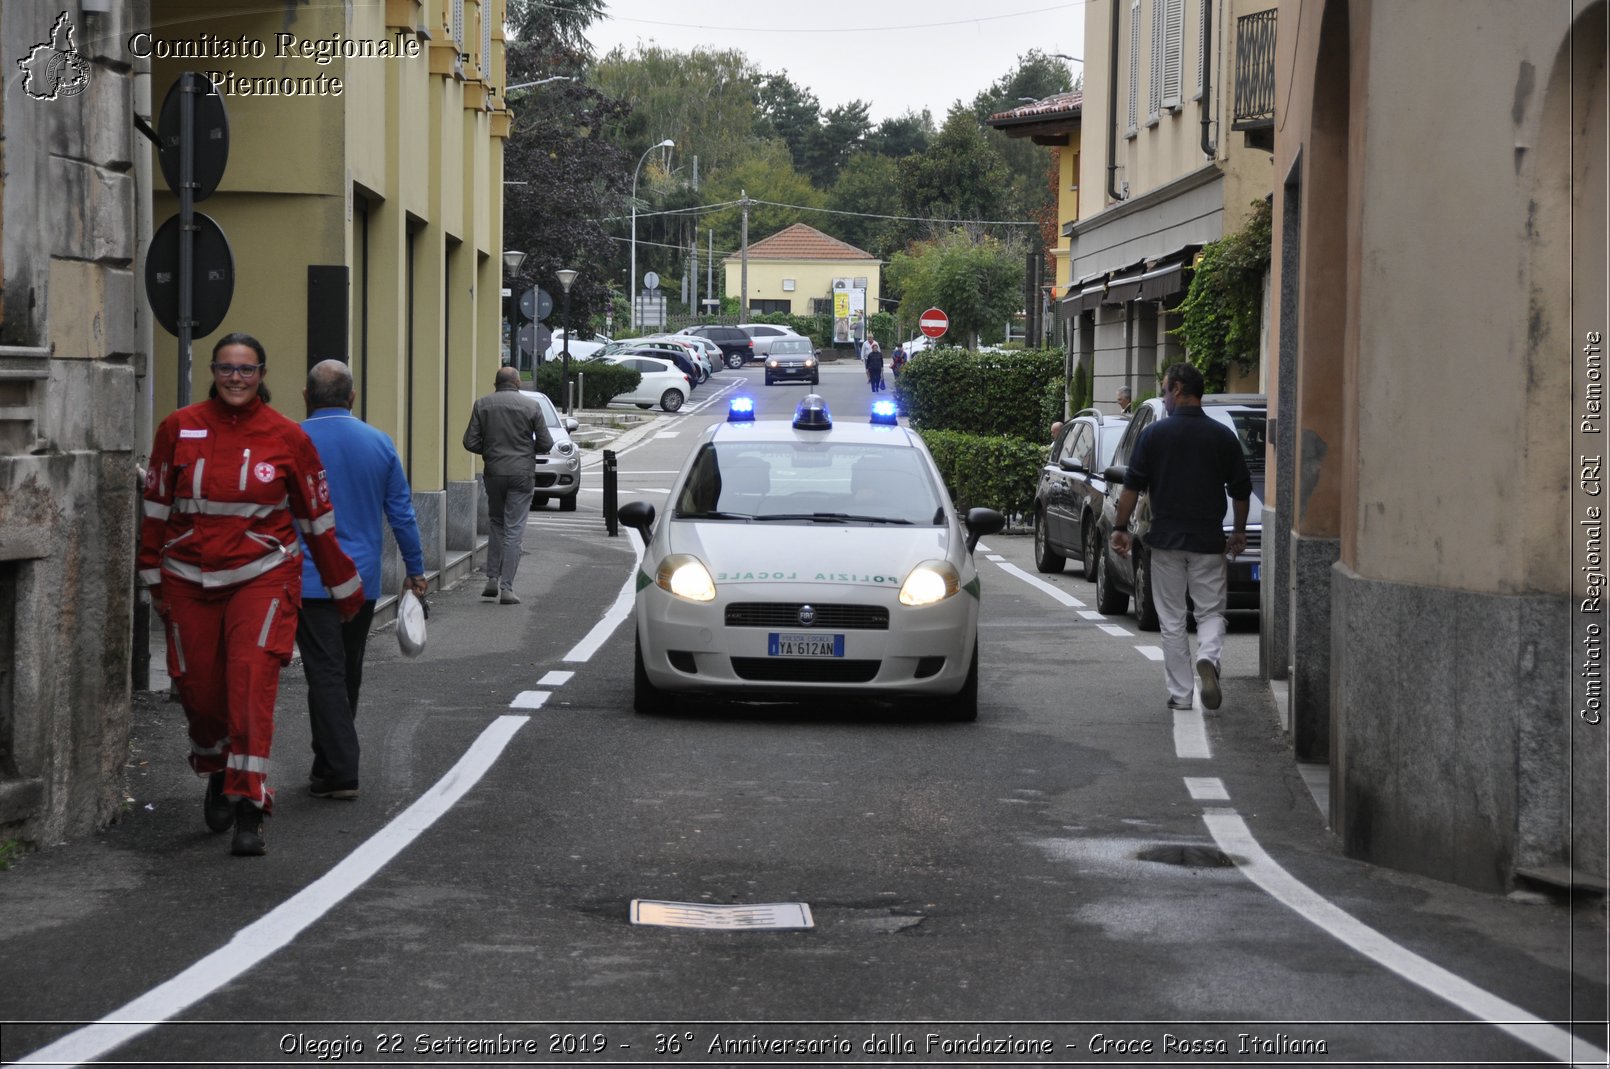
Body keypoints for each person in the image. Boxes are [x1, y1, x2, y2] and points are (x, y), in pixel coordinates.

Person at [139, 334, 364, 856]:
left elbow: (317, 519)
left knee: (249, 684)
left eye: (246, 369)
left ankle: (249, 806)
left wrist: (343, 588)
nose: (235, 377)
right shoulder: (177, 428)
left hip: (262, 578)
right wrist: (150, 574)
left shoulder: (288, 437)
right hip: (188, 578)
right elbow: (154, 506)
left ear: (262, 374)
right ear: (214, 372)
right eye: (226, 368)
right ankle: (218, 768)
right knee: (199, 692)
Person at [297, 360, 428, 801]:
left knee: (325, 672)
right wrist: (415, 568)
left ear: (305, 396)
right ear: (352, 397)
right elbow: (402, 512)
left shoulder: (291, 442)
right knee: (346, 670)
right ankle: (327, 761)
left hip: (310, 578)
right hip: (362, 580)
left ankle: (339, 768)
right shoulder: (379, 443)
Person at [1109, 363, 1250, 713]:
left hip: (1166, 540)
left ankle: (1182, 694)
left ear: (1178, 389)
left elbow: (1132, 486)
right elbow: (1241, 490)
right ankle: (1208, 657)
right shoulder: (1222, 437)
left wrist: (1121, 527)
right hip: (1207, 540)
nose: (1163, 397)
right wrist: (1238, 532)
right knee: (1211, 611)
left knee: (1171, 619)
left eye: (1164, 389)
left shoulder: (1154, 436)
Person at [463, 366, 552, 604]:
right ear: (517, 383)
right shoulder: (531, 406)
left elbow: (469, 441)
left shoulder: (482, 404)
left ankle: (491, 579)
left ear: (495, 384)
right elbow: (546, 442)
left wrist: (491, 452)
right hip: (522, 474)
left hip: (494, 473)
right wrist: (525, 451)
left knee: (496, 524)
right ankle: (507, 588)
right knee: (514, 530)